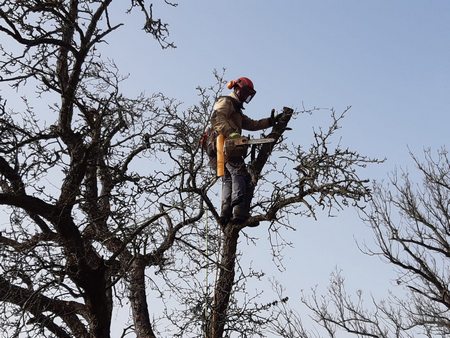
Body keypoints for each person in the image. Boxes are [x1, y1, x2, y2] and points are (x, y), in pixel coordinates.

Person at [210, 77, 278, 225]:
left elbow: (251, 124)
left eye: (248, 94)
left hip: (221, 148)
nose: (246, 96)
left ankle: (225, 214)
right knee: (240, 174)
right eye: (245, 92)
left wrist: (270, 121)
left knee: (228, 178)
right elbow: (217, 118)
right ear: (237, 88)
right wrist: (232, 134)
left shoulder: (236, 109)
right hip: (224, 144)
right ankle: (239, 212)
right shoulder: (226, 101)